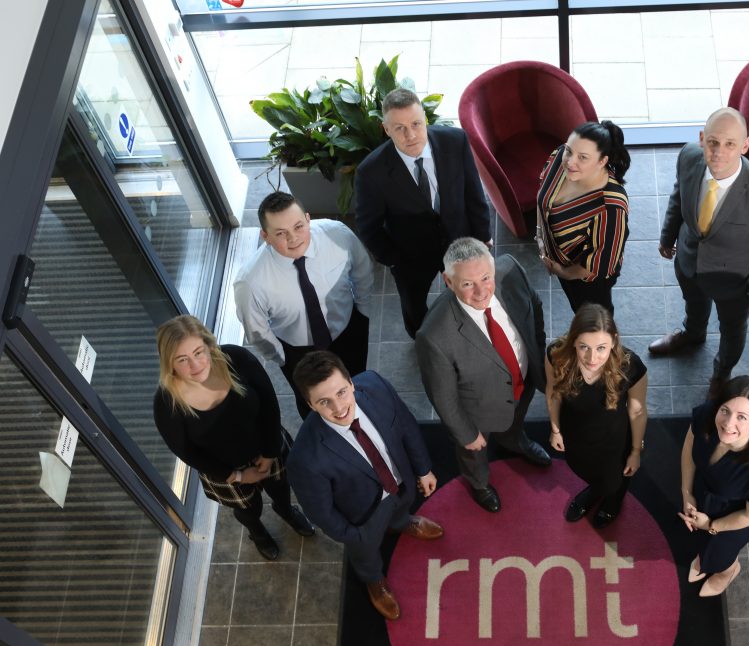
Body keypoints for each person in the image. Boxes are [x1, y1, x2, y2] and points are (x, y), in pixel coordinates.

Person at [286, 351, 443, 621]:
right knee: (367, 554)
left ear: (351, 381)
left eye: (342, 392)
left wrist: (423, 468)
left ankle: (403, 522)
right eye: (324, 402)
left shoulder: (375, 386)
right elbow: (321, 513)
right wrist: (354, 536)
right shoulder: (305, 458)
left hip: (399, 483)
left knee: (401, 509)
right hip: (362, 519)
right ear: (310, 405)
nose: (339, 408)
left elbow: (406, 426)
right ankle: (374, 581)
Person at [153, 315, 314, 561]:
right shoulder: (167, 404)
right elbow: (189, 454)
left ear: (209, 344)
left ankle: (286, 511)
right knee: (249, 509)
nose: (195, 366)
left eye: (198, 352)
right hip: (226, 471)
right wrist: (238, 476)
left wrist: (270, 452)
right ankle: (256, 532)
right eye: (182, 360)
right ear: (170, 364)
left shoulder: (236, 359)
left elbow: (270, 405)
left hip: (267, 446)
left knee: (281, 488)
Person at [650, 108, 749, 396]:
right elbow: (678, 196)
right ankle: (693, 333)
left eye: (730, 144)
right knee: (693, 303)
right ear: (702, 138)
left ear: (745, 145)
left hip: (734, 282)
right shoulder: (688, 157)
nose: (718, 152)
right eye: (713, 142)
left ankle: (722, 371)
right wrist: (668, 235)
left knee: (732, 331)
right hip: (689, 260)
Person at [416, 237, 551, 513]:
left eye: (486, 278)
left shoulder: (510, 270)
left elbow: (534, 308)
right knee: (474, 452)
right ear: (448, 281)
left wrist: (536, 351)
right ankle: (479, 484)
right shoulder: (434, 335)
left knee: (515, 420)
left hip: (521, 381)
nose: (481, 291)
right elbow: (442, 395)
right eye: (467, 284)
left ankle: (515, 441)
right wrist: (466, 434)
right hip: (476, 410)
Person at [354, 88, 491, 338]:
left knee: (471, 291)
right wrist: (396, 259)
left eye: (416, 123)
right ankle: (422, 339)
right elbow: (368, 227)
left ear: (425, 119)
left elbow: (473, 192)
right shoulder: (370, 172)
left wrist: (482, 237)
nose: (411, 135)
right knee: (415, 307)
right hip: (411, 256)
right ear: (386, 130)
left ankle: (472, 329)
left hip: (460, 241)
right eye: (399, 128)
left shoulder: (455, 141)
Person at [234, 191, 375, 418]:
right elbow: (257, 331)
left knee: (357, 383)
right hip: (299, 350)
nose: (293, 238)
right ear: (265, 235)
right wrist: (284, 359)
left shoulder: (337, 235)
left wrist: (363, 314)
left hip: (349, 330)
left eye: (299, 227)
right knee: (315, 404)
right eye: (281, 233)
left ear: (308, 219)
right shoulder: (250, 282)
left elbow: (362, 271)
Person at [679, 376, 749, 597]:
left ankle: (725, 572)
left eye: (742, 417)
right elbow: (690, 444)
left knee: (721, 555)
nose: (728, 423)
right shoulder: (710, 414)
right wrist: (687, 492)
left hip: (733, 518)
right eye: (725, 411)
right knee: (700, 543)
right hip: (703, 495)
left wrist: (711, 525)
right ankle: (705, 559)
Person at [545, 304, 648, 529]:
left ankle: (613, 503)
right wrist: (555, 429)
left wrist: (636, 451)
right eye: (584, 347)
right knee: (582, 468)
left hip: (614, 441)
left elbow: (638, 411)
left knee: (614, 482)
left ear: (614, 341)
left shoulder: (630, 366)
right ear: (573, 341)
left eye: (601, 347)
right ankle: (594, 491)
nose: (592, 357)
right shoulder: (557, 355)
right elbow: (553, 394)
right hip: (575, 433)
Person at [537, 120, 631, 314]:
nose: (570, 162)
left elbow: (599, 265)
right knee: (576, 307)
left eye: (583, 157)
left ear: (602, 161)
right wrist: (540, 236)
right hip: (560, 263)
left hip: (586, 279)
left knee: (595, 319)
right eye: (569, 151)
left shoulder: (611, 208)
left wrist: (561, 272)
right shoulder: (559, 158)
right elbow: (542, 198)